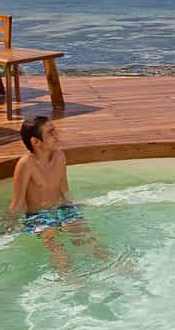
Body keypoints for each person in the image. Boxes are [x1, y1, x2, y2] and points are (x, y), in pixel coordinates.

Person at [8, 116, 105, 276]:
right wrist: (7, 222)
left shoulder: (59, 156)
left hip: (63, 209)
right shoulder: (26, 164)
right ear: (35, 142)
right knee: (57, 248)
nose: (57, 135)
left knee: (89, 240)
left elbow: (64, 189)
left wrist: (73, 207)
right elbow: (17, 201)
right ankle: (70, 279)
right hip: (39, 215)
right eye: (51, 133)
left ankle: (116, 270)